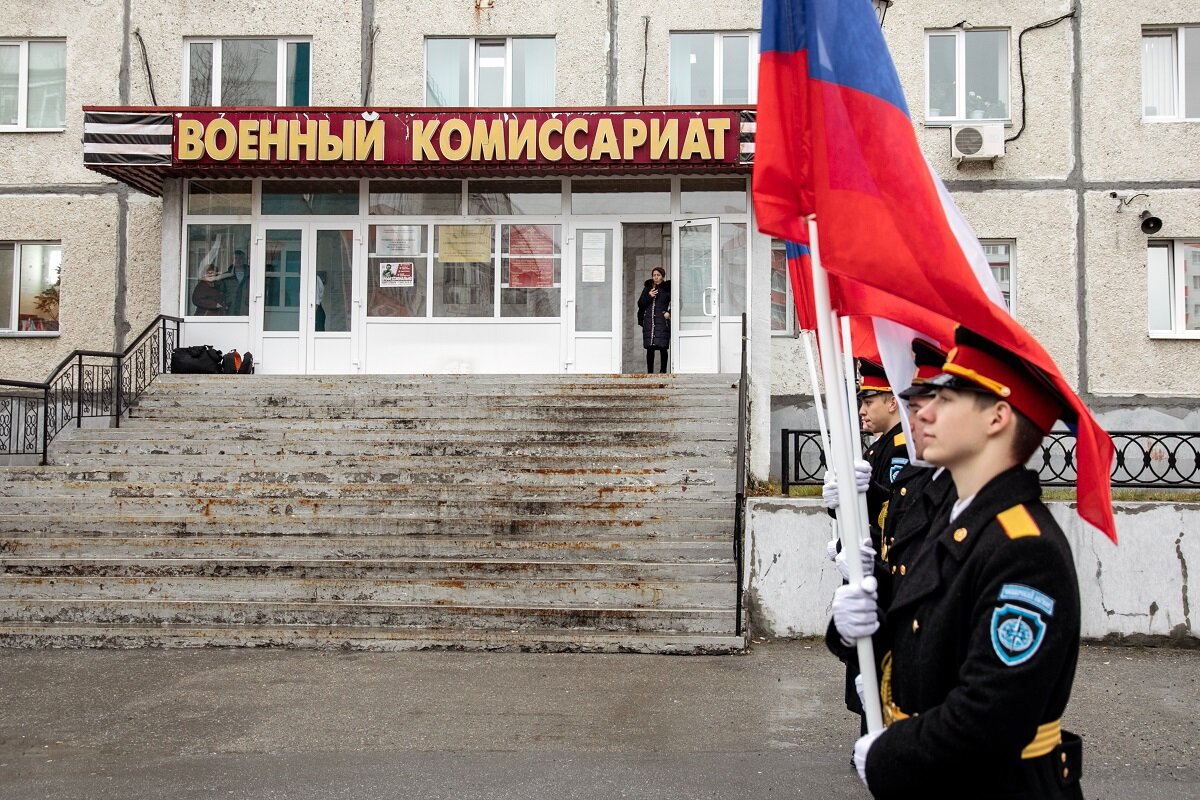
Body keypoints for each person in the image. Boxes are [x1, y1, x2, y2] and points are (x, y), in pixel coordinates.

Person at [835, 325, 1084, 799]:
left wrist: (892, 753)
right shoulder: (954, 517)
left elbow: (989, 716)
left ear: (997, 418)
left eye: (945, 401)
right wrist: (856, 626)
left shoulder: (1025, 550)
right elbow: (924, 634)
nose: (922, 413)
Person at [637, 267, 671, 373]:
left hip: (662, 321)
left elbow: (678, 303)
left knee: (663, 347)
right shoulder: (648, 288)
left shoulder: (668, 288)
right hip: (649, 321)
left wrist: (669, 312)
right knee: (650, 348)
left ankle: (663, 372)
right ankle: (650, 373)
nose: (656, 277)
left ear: (662, 276)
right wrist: (649, 296)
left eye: (658, 275)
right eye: (654, 275)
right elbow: (640, 304)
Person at [222, 249, 250, 315]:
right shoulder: (226, 276)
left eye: (241, 258)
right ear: (232, 260)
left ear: (244, 260)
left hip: (247, 310)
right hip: (230, 310)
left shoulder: (251, 275)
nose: (238, 260)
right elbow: (221, 293)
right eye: (236, 258)